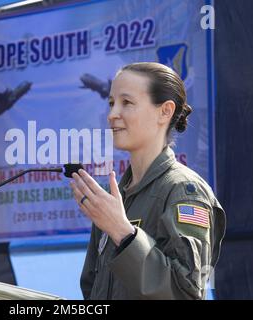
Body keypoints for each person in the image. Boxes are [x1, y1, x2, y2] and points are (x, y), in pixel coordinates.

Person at [69, 62, 226, 300]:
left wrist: (123, 233)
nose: (112, 115)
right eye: (111, 103)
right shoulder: (114, 198)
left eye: (127, 103)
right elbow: (92, 289)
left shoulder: (184, 191)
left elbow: (185, 293)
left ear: (165, 111)